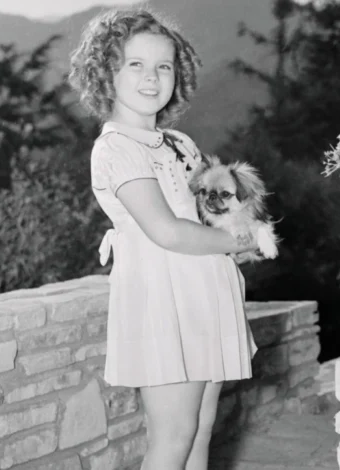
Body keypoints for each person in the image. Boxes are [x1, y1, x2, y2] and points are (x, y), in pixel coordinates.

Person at [68, 7, 258, 470]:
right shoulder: (116, 148)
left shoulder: (180, 143)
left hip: (204, 293)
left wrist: (234, 229)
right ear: (106, 72)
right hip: (163, 300)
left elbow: (203, 217)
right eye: (135, 64)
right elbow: (166, 230)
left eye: (164, 66)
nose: (152, 77)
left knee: (200, 431)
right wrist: (243, 240)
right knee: (173, 437)